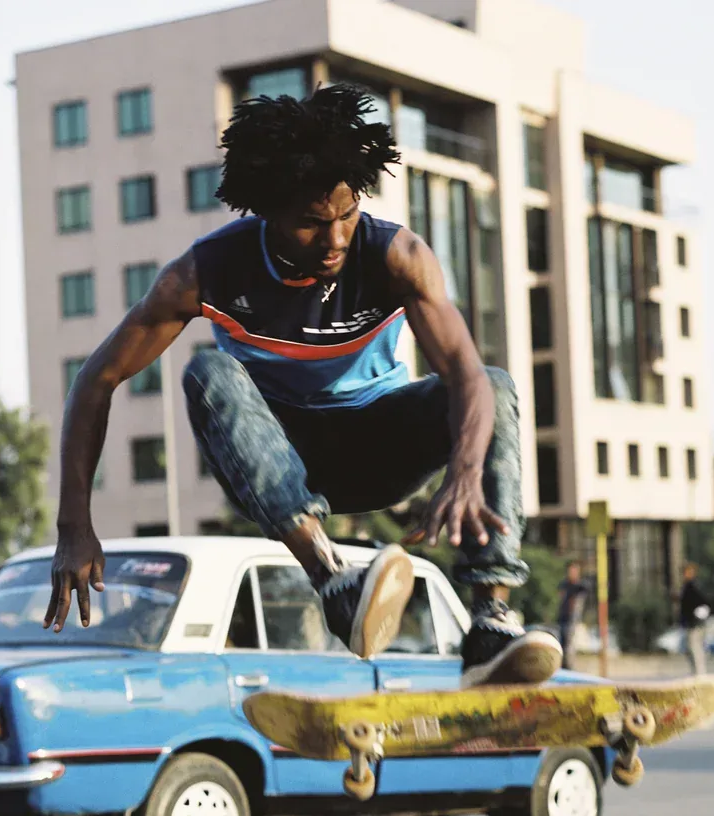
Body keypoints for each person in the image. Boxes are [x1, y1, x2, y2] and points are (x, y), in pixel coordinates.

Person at [41, 83, 559, 689]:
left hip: (381, 442)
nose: (336, 240)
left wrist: (466, 473)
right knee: (207, 371)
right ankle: (335, 583)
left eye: (346, 215)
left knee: (492, 383)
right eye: (313, 224)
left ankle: (491, 624)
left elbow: (466, 374)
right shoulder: (205, 273)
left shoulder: (398, 257)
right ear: (268, 211)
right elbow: (95, 379)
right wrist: (74, 523)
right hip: (281, 461)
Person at [554, 560, 590, 670]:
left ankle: (568, 666)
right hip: (562, 617)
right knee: (561, 641)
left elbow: (584, 591)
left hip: (572, 619)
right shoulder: (564, 584)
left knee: (569, 642)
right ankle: (562, 665)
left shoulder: (580, 586)